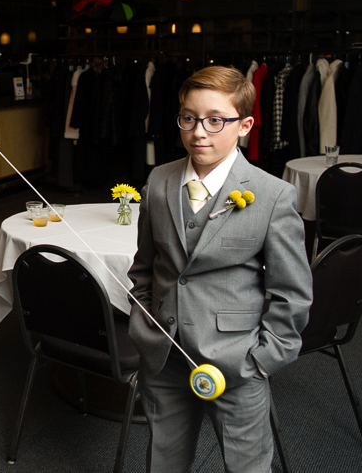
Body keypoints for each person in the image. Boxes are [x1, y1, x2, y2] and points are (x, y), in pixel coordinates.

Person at [128, 66, 313, 473]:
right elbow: (145, 268)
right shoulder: (159, 181)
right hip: (166, 358)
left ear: (245, 125)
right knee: (163, 462)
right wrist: (146, 332)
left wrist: (261, 359)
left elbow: (292, 292)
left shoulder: (272, 195)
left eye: (216, 120)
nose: (199, 132)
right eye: (189, 118)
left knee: (246, 466)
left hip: (236, 362)